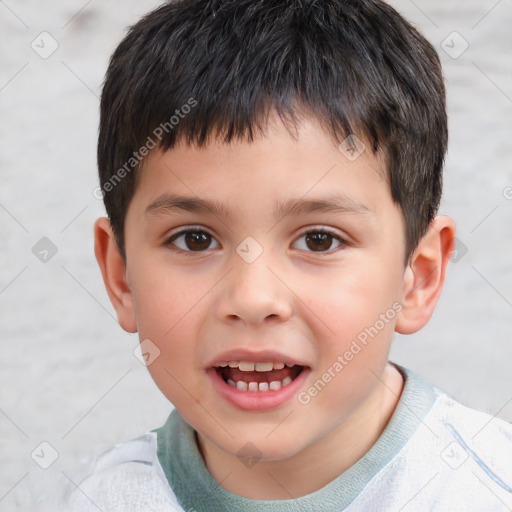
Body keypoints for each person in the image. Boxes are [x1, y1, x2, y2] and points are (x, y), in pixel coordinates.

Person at [61, 0, 512, 510]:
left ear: (419, 277)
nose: (253, 299)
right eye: (195, 239)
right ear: (121, 276)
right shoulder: (100, 498)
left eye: (319, 240)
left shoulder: (484, 489)